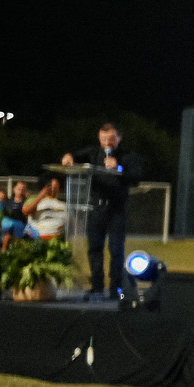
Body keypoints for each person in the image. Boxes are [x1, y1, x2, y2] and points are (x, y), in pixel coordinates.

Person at [63, 122, 144, 298]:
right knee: (94, 248)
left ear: (119, 138)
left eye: (111, 139)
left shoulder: (128, 156)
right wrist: (69, 157)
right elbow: (74, 154)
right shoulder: (93, 152)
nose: (107, 142)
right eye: (103, 139)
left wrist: (119, 168)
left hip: (117, 209)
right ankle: (97, 287)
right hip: (96, 208)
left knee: (116, 249)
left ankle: (116, 288)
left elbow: (136, 178)